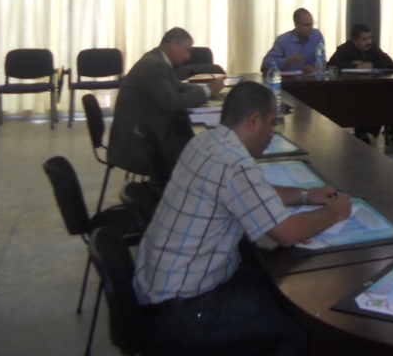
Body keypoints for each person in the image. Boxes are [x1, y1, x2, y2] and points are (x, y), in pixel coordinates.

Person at [134, 81, 351, 356]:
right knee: (299, 324)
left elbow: (252, 192)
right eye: (271, 123)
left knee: (275, 284)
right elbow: (288, 232)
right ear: (253, 121)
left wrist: (306, 195)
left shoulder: (206, 142)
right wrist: (335, 211)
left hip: (161, 294)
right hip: (184, 313)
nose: (272, 133)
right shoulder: (235, 164)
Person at [109, 27, 225, 177]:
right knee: (200, 152)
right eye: (187, 50)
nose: (188, 57)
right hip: (138, 146)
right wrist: (207, 91)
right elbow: (170, 102)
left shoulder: (156, 59)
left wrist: (208, 91)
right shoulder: (155, 65)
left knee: (192, 141)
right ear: (173, 43)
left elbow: (178, 86)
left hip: (142, 134)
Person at [328, 23, 393, 143]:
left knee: (379, 99)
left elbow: (390, 63)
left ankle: (367, 131)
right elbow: (331, 65)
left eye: (370, 38)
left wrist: (372, 65)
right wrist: (355, 66)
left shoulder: (372, 47)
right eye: (364, 39)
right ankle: (362, 132)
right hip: (348, 91)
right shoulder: (345, 49)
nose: (369, 42)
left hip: (371, 88)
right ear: (355, 41)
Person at [260, 7, 325, 74]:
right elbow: (265, 65)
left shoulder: (316, 36)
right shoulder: (283, 40)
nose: (310, 28)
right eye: (306, 25)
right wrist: (287, 60)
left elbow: (321, 61)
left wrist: (314, 67)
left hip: (310, 78)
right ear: (296, 25)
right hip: (288, 79)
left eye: (311, 24)